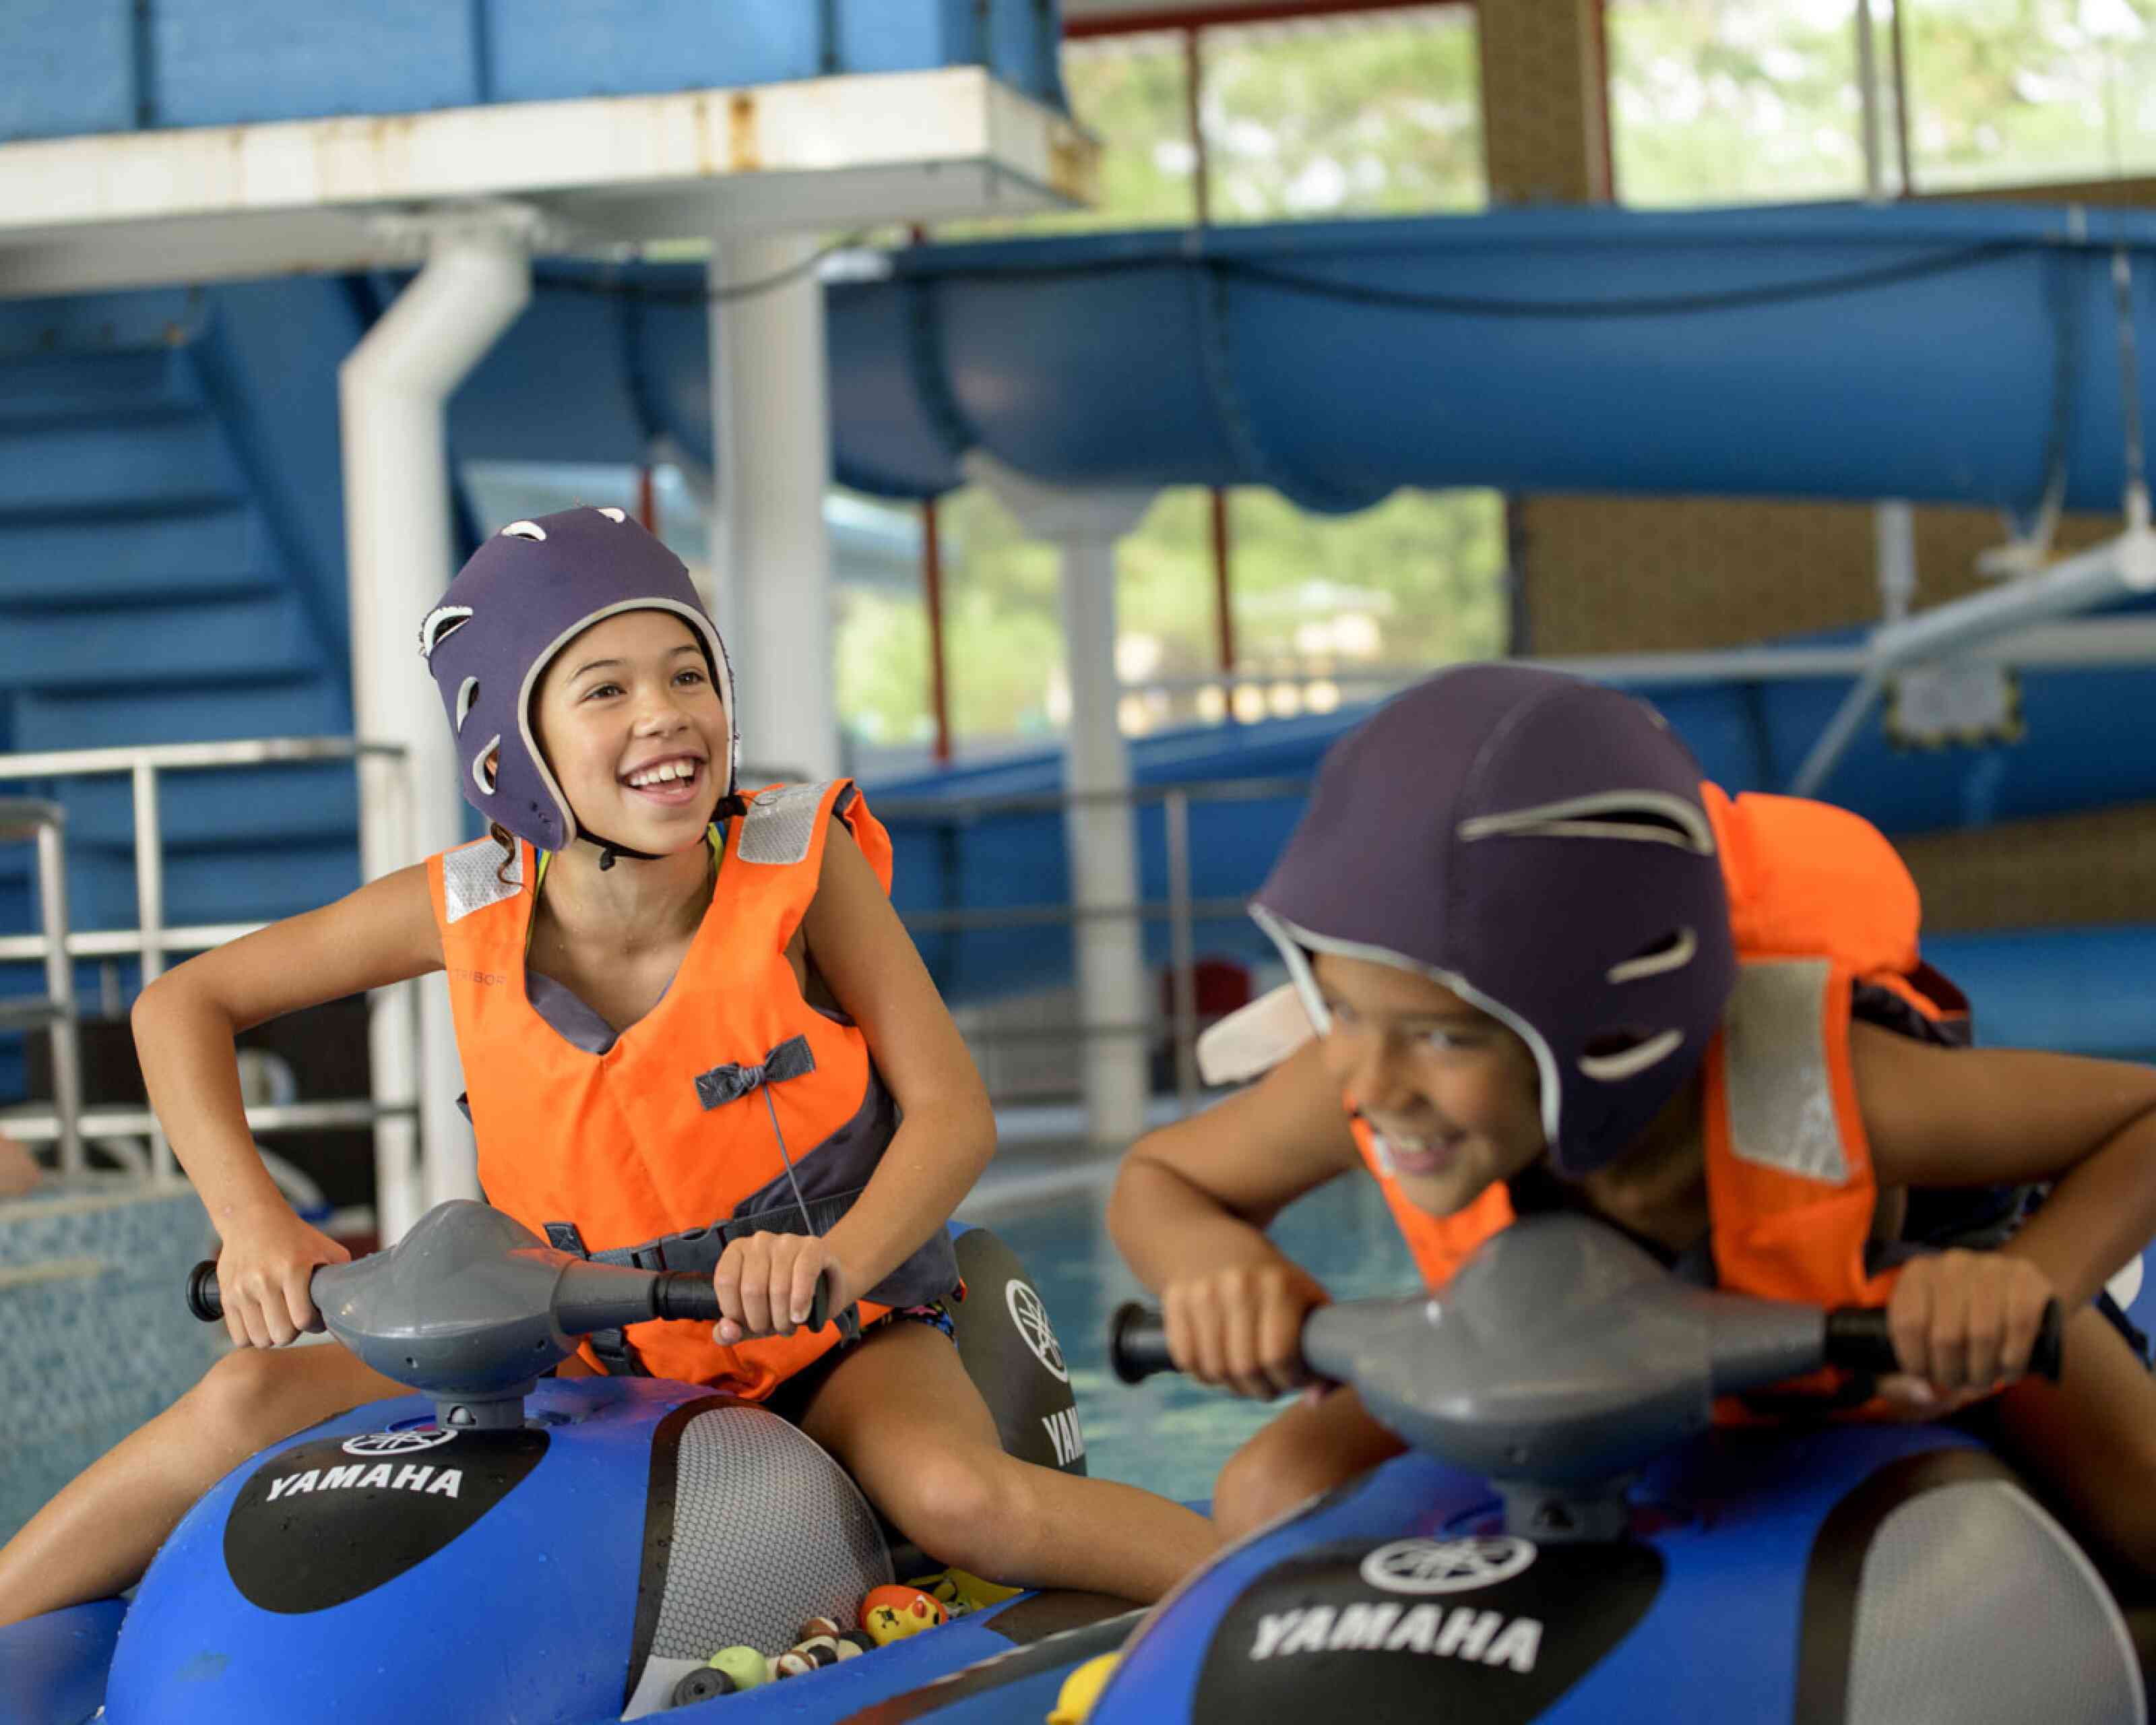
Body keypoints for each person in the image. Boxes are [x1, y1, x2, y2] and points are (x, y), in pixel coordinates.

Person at [0, 506, 1215, 1627]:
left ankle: (1268, 1582)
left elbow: (954, 1116)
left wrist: (830, 1269)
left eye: (690, 674)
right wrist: (250, 1220)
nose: (665, 713)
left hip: (825, 1340)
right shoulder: (462, 906)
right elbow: (182, 1004)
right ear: (510, 751)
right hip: (573, 1348)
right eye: (604, 689)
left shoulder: (802, 865)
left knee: (962, 1503)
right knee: (237, 1406)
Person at [1109, 662, 2156, 1576]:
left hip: (1876, 1347)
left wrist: (2028, 1286)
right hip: (1547, 1352)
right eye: (1337, 1008)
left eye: (1444, 1037)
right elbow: (1161, 1180)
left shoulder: (1822, 1091)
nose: (1372, 1082)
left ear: (1605, 1029)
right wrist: (1216, 1271)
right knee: (1268, 1489)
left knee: (2142, 1511)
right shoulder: (1368, 1075)